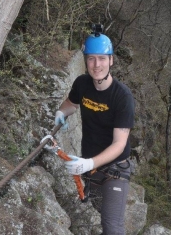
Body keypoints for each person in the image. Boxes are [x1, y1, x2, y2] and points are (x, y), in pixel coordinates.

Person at [54, 24, 135, 234]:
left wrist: (89, 162)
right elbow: (71, 104)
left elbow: (119, 144)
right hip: (91, 171)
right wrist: (61, 114)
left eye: (101, 58)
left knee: (111, 226)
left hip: (114, 170)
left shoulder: (122, 97)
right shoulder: (82, 84)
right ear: (86, 61)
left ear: (111, 60)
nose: (96, 64)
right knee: (101, 214)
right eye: (91, 58)